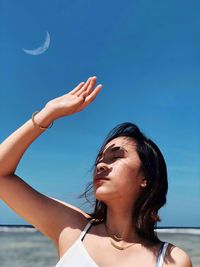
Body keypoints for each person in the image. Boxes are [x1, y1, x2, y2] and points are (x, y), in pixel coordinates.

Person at [0, 76, 192, 267]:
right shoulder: (72, 228)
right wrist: (47, 114)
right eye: (99, 159)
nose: (100, 165)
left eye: (116, 157)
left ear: (146, 177)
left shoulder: (172, 261)